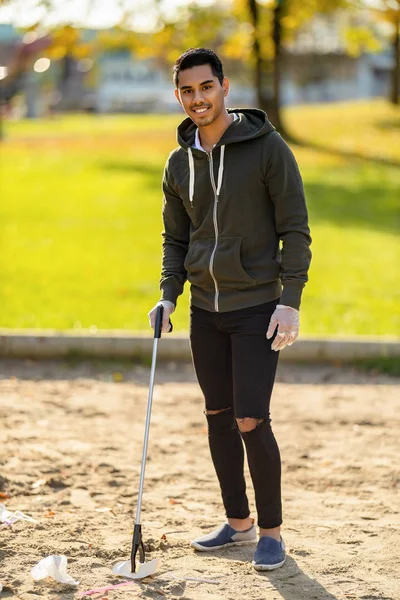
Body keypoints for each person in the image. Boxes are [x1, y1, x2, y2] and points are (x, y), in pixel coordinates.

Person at [148, 47, 311, 571]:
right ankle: (237, 524)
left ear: (225, 87)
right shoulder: (178, 162)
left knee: (249, 418)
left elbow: (295, 230)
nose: (198, 99)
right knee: (217, 416)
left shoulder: (267, 149)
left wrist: (290, 303)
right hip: (204, 310)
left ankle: (271, 532)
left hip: (257, 307)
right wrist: (168, 294)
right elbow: (175, 238)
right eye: (187, 91)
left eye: (206, 87)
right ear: (179, 96)